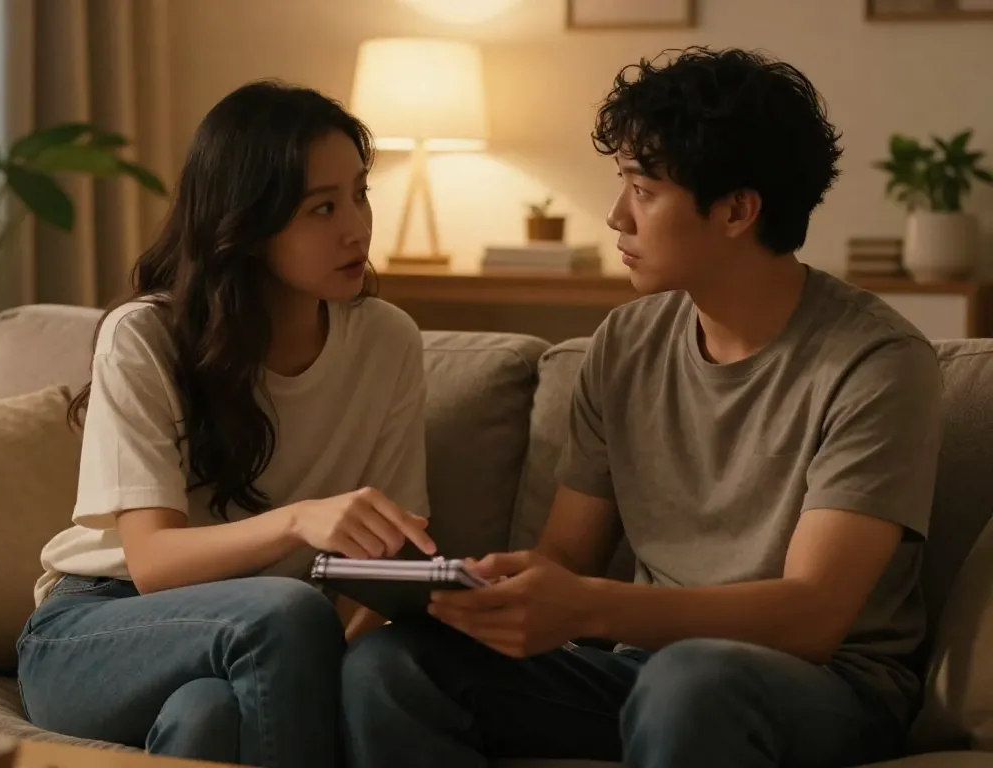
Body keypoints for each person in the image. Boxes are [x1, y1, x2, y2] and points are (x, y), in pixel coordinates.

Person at [341, 46, 944, 768]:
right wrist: (477, 590)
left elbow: (812, 615)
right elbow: (568, 552)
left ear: (737, 210)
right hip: (646, 671)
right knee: (397, 663)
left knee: (689, 681)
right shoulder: (625, 342)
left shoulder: (876, 362)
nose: (615, 215)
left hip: (823, 688)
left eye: (644, 189)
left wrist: (591, 607)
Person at [16, 80, 436, 768]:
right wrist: (301, 521)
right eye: (321, 208)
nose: (356, 226)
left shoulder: (388, 341)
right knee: (287, 611)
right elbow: (152, 563)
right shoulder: (146, 335)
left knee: (206, 716)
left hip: (267, 637)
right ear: (248, 224)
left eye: (359, 193)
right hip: (97, 626)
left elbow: (384, 565)